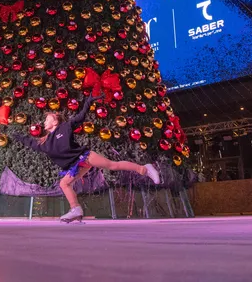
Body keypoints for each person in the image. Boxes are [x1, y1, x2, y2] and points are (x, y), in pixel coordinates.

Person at [13, 93, 161, 223]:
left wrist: (88, 103)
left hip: (85, 157)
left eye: (47, 119)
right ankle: (75, 209)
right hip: (74, 166)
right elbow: (31, 143)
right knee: (64, 184)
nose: (44, 122)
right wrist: (17, 136)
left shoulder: (65, 127)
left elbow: (80, 117)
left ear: (55, 122)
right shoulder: (45, 143)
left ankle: (144, 168)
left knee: (112, 165)